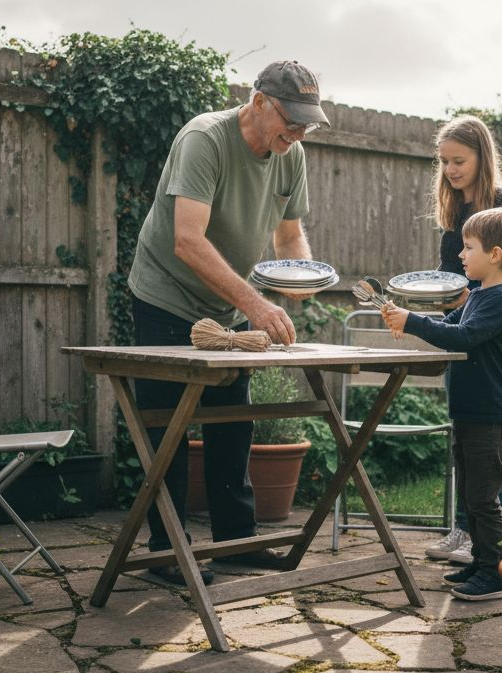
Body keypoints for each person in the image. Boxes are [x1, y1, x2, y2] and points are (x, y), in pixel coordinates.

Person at [126, 60, 330, 585]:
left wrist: (299, 279)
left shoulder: (292, 153)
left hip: (227, 308)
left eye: (308, 122)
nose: (300, 131)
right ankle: (164, 550)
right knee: (167, 427)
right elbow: (187, 240)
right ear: (259, 102)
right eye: (293, 119)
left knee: (231, 423)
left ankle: (235, 544)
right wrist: (258, 304)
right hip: (165, 298)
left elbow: (288, 239)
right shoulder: (204, 139)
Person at [382, 207, 502, 600]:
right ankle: (481, 562)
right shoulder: (481, 295)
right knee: (469, 496)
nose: (461, 255)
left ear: (495, 254)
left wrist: (411, 321)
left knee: (483, 498)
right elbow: (451, 327)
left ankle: (495, 572)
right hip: (470, 413)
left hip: (492, 416)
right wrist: (409, 315)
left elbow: (463, 337)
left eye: (468, 248)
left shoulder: (501, 299)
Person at [422, 115, 502, 566]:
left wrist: (475, 304)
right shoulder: (453, 205)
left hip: (487, 332)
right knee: (466, 434)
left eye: (459, 160)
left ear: (481, 157)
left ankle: (488, 540)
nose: (450, 169)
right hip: (461, 328)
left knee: (487, 442)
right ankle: (465, 529)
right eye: (444, 161)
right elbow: (449, 269)